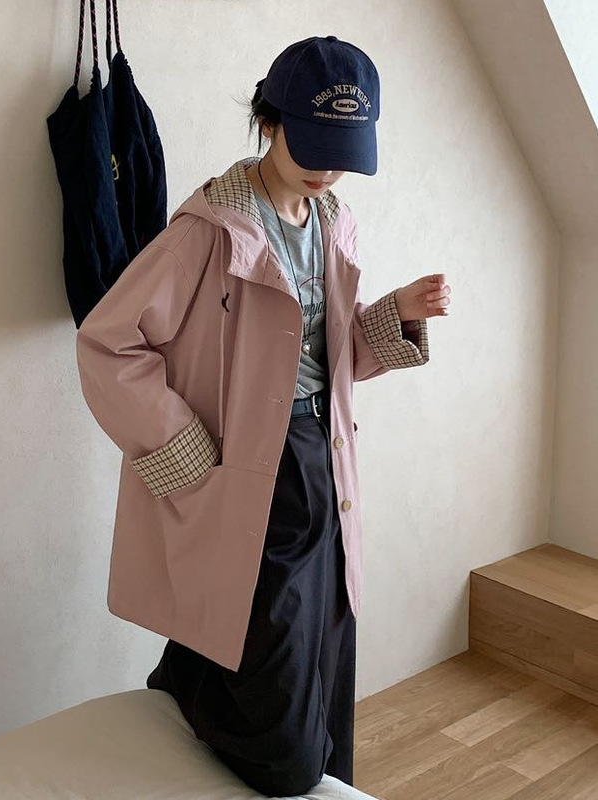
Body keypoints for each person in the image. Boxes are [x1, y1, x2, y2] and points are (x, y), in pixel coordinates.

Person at [76, 35, 451, 798]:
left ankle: (193, 680)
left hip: (323, 457)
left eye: (342, 154)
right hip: (247, 464)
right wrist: (185, 451)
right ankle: (216, 707)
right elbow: (107, 343)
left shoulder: (333, 222)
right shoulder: (208, 233)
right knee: (279, 719)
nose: (325, 169)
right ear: (269, 120)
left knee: (318, 641)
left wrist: (394, 313)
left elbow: (326, 357)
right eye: (313, 146)